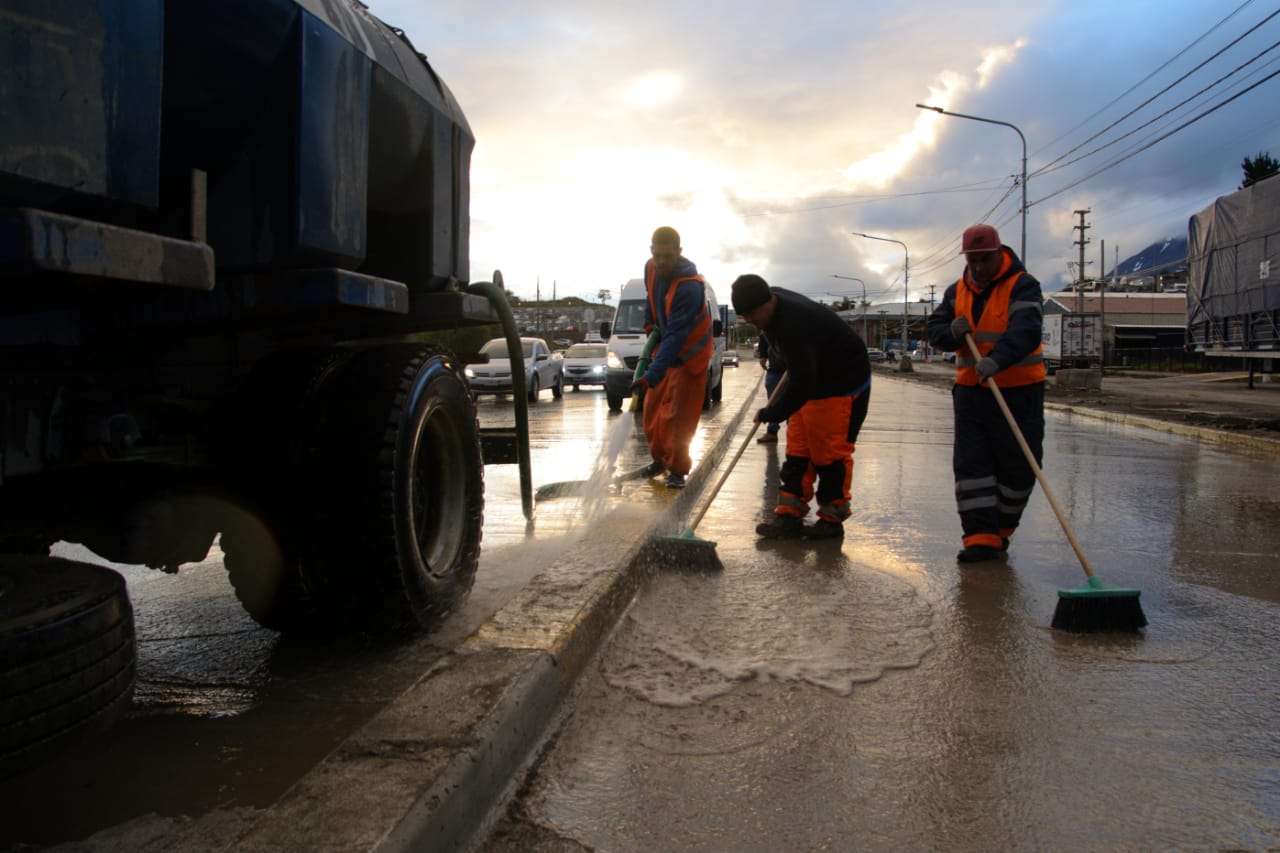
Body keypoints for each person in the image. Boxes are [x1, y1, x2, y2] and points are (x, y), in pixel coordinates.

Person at [926, 223, 1046, 563]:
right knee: (972, 467)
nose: (978, 268)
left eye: (984, 260)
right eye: (972, 261)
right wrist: (949, 331)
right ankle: (979, 539)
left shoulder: (1023, 286)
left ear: (999, 254)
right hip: (971, 395)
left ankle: (1002, 530)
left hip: (1019, 393)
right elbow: (934, 330)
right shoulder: (955, 292)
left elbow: (1026, 330)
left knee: (1020, 467)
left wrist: (998, 360)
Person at [730, 274, 872, 540]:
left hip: (842, 382)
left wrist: (773, 412)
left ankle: (831, 520)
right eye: (743, 315)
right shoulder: (770, 305)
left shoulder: (794, 324)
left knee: (829, 454)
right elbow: (800, 376)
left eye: (751, 314)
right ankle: (789, 516)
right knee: (798, 451)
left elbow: (802, 386)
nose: (748, 320)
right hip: (812, 377)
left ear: (767, 302)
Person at [631, 226, 714, 489]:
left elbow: (676, 336)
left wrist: (650, 376)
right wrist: (648, 324)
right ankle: (660, 460)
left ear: (679, 252)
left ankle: (677, 470)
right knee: (653, 413)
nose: (662, 261)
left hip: (690, 356)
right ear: (651, 251)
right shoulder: (650, 268)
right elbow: (650, 299)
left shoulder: (690, 287)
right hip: (665, 351)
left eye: (668, 255)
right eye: (658, 255)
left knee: (677, 419)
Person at [754, 331, 787, 443]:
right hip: (775, 369)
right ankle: (772, 432)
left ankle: (794, 431)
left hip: (791, 370)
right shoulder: (769, 324)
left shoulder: (793, 323)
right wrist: (763, 355)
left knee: (793, 399)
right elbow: (764, 336)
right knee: (772, 400)